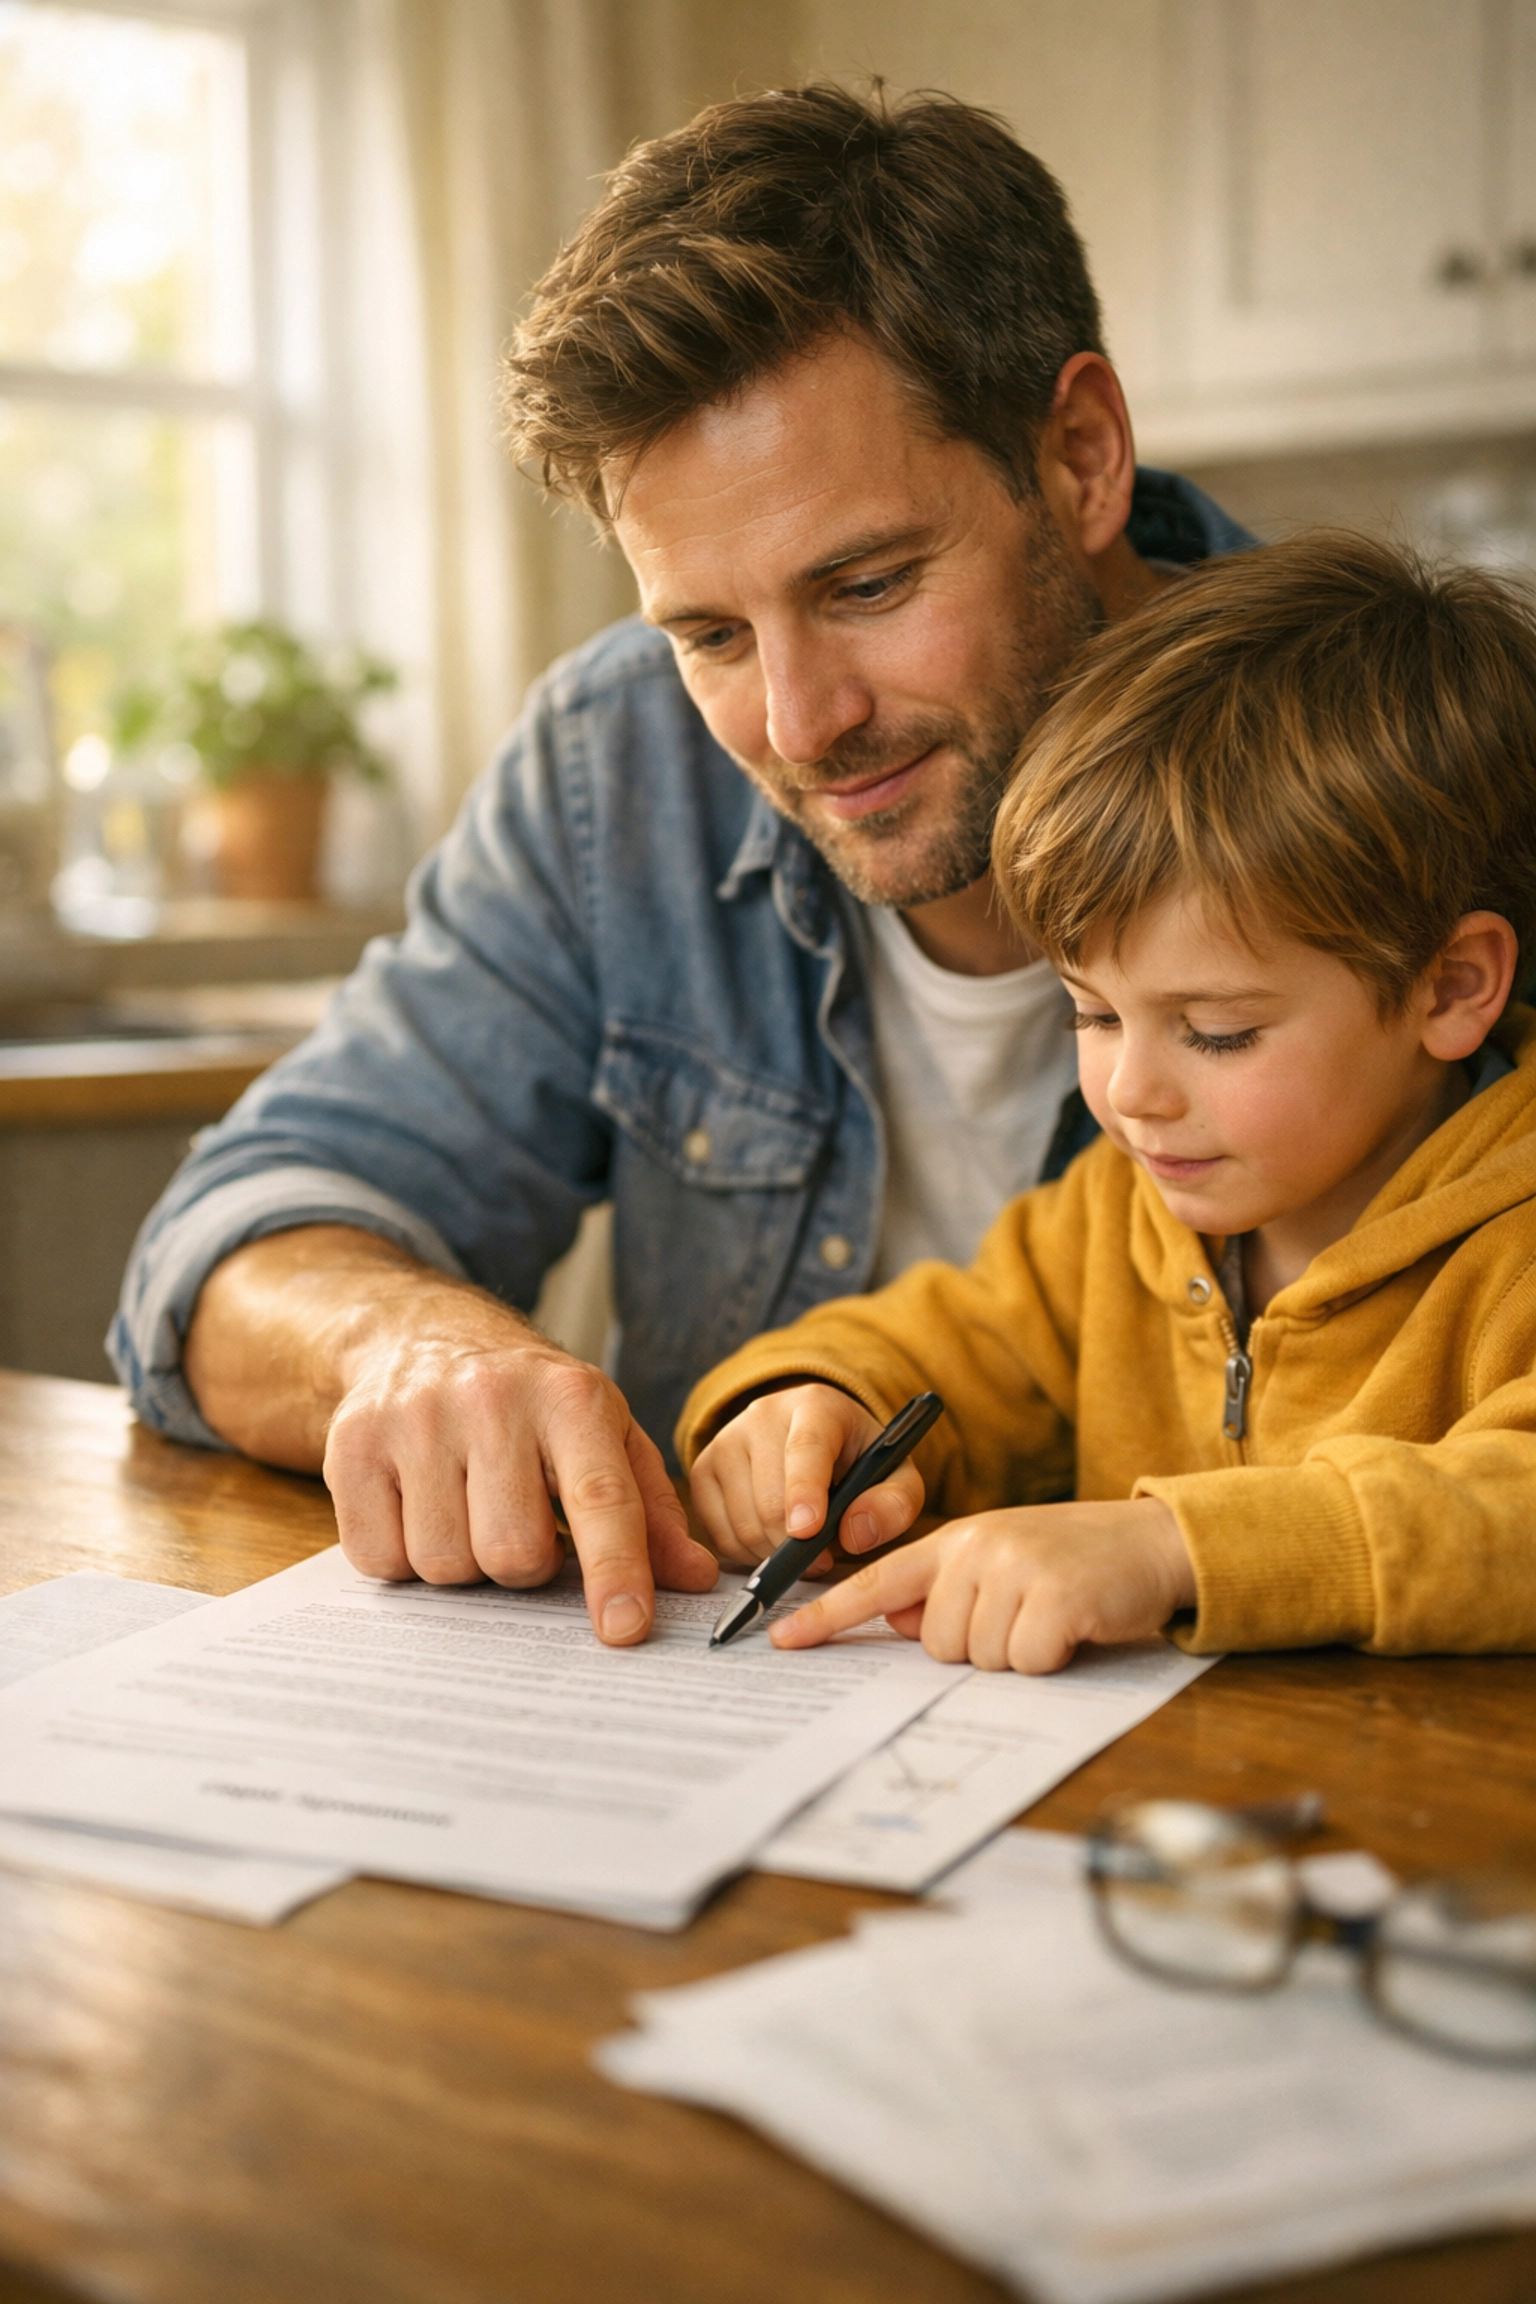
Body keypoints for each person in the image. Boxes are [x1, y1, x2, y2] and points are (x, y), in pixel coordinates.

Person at [112, 84, 1252, 1646]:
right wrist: (408, 1351)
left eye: (864, 584)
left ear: (1078, 456)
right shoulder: (620, 766)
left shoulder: (1411, 769)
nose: (801, 725)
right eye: (710, 632)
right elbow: (230, 1246)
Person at [680, 533, 1536, 1669]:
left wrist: (1176, 1547)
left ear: (1453, 986)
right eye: (1091, 1014)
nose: (1130, 1093)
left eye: (1217, 1031)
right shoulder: (1108, 1221)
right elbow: (939, 1342)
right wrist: (806, 1404)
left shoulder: (1512, 1251)